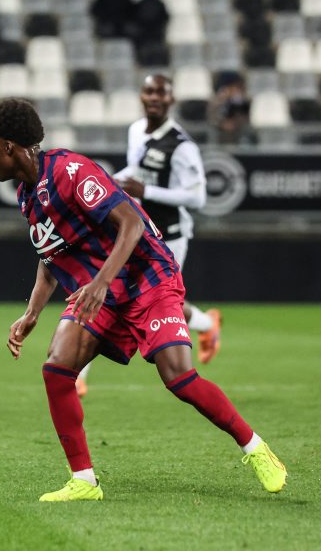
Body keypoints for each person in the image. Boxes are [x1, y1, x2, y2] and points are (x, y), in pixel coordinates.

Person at [0, 97, 286, 501]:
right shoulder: (27, 194)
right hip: (102, 292)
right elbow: (49, 255)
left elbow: (130, 224)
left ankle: (256, 448)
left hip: (147, 278)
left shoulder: (72, 172)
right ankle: (84, 481)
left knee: (178, 377)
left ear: (8, 147)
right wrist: (31, 312)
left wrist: (101, 281)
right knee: (57, 369)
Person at [76, 74, 221, 397]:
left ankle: (207, 325)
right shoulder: (136, 130)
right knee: (114, 293)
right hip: (139, 233)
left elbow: (197, 198)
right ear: (141, 96)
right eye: (149, 91)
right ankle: (78, 374)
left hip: (170, 237)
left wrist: (148, 192)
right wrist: (108, 183)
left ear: (170, 100)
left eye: (161, 92)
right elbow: (136, 170)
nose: (154, 97)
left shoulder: (182, 147)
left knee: (155, 302)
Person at [207, 70, 252, 145]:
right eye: (232, 87)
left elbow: (246, 116)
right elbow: (211, 117)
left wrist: (235, 122)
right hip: (220, 131)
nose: (234, 90)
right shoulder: (217, 101)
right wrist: (222, 123)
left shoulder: (243, 101)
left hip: (238, 131)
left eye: (237, 87)